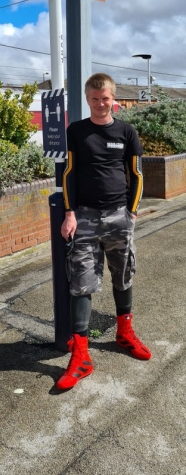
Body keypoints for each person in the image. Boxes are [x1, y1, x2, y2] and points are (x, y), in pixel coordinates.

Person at [56, 73, 151, 391]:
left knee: (123, 276)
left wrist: (132, 212)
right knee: (81, 284)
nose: (100, 104)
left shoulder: (127, 131)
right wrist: (69, 213)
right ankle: (81, 356)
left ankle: (125, 333)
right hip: (83, 218)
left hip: (118, 217)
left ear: (114, 100)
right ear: (88, 100)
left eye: (105, 98)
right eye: (94, 99)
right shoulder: (76, 132)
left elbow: (137, 174)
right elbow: (68, 173)